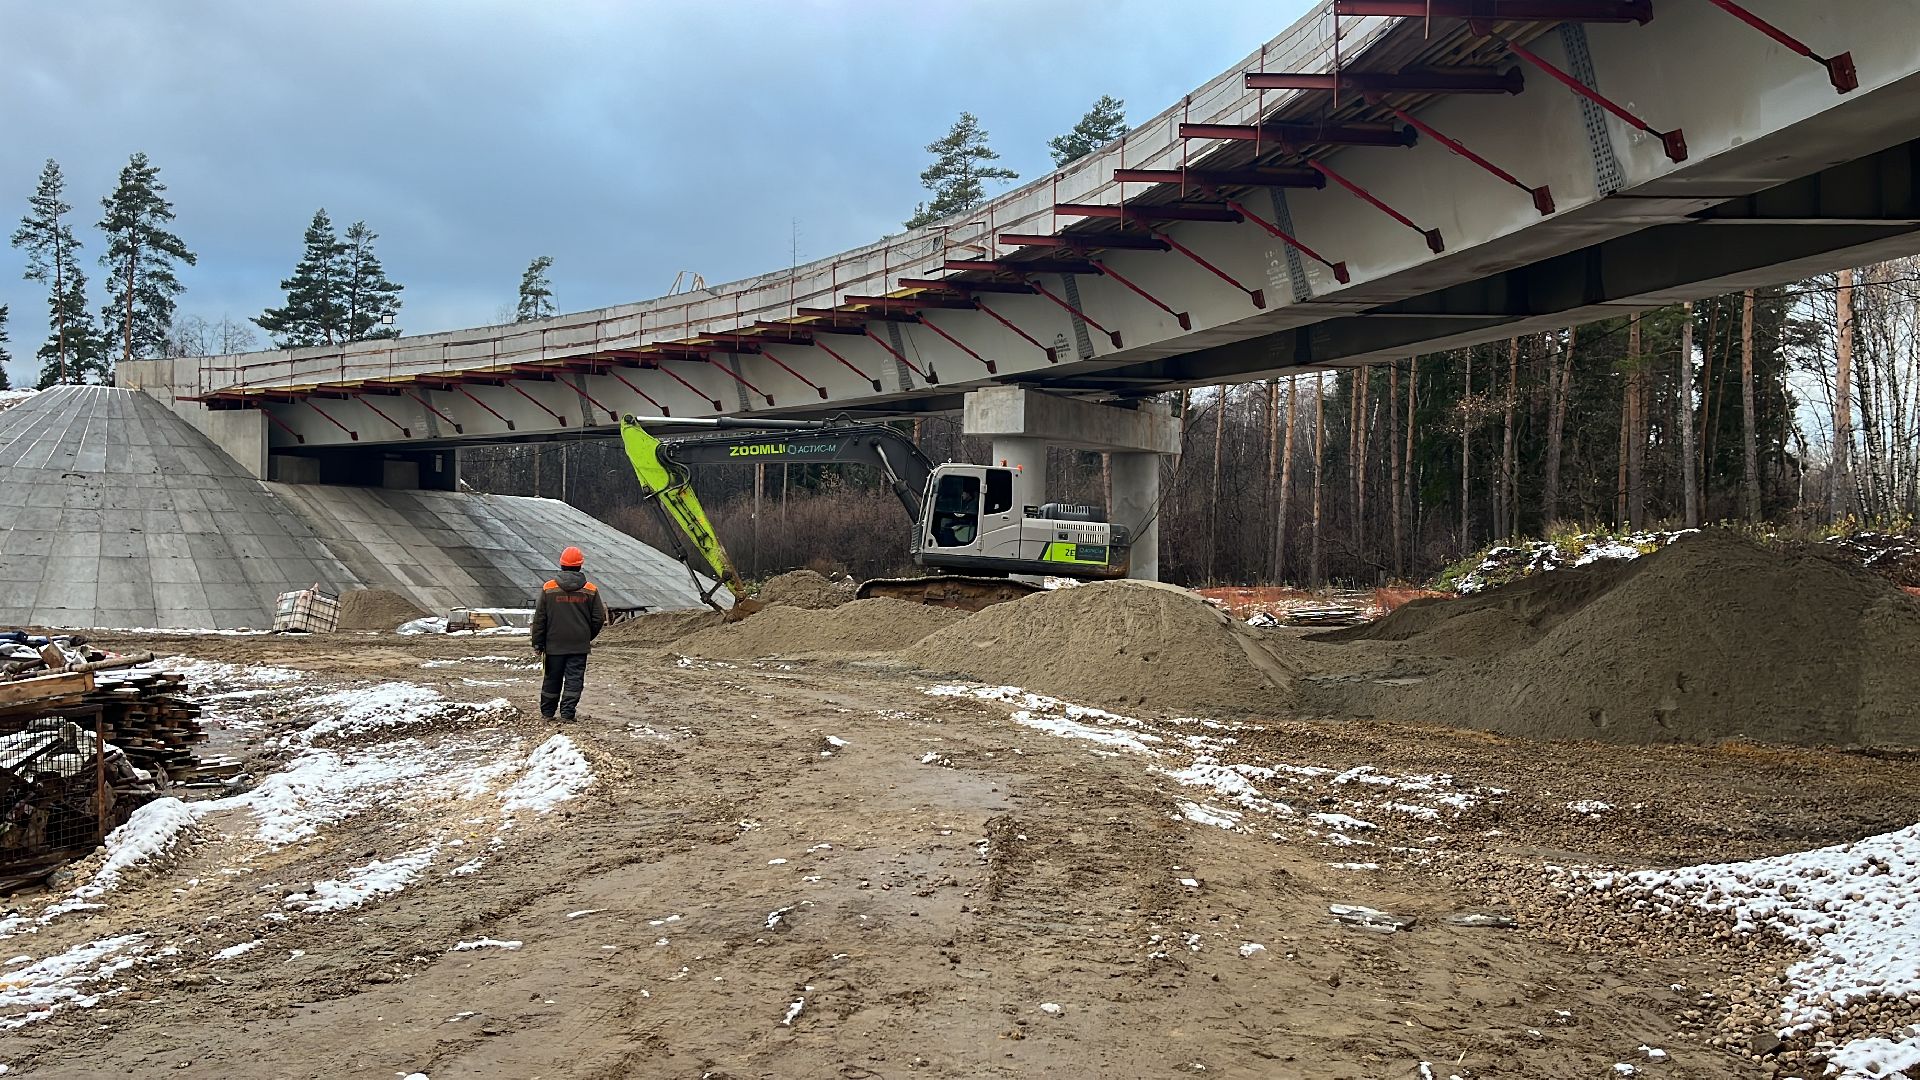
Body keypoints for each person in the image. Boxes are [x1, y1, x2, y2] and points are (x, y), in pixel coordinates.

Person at [529, 545, 608, 721]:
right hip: (578, 646)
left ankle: (547, 713)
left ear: (562, 564)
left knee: (552, 679)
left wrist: (538, 643)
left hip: (553, 645)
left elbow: (540, 618)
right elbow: (598, 618)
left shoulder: (549, 588)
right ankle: (567, 713)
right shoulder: (590, 590)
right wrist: (586, 636)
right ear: (580, 565)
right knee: (574, 680)